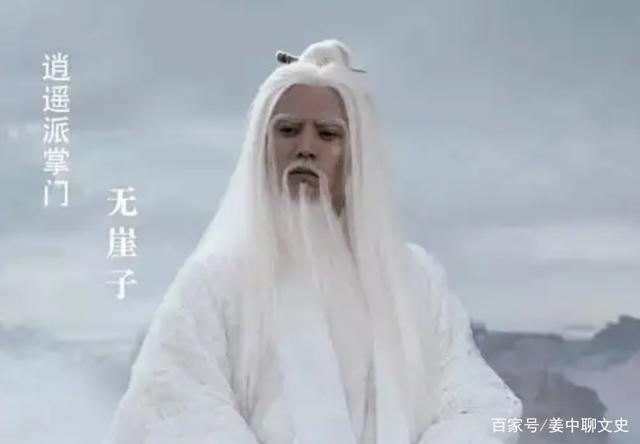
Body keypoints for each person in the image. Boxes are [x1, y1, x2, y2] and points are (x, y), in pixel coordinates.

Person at [102, 39, 522, 444]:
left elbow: (474, 406)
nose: (305, 148)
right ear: (263, 144)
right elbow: (175, 406)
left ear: (356, 151)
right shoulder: (216, 281)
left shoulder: (415, 279)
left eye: (327, 134)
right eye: (288, 130)